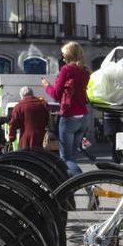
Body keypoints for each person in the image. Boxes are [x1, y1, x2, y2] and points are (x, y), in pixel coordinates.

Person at [42, 42, 90, 177]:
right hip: (83, 118)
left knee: (66, 158)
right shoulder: (86, 71)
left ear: (69, 54)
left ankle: (85, 181)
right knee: (72, 157)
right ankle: (69, 183)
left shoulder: (66, 70)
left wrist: (46, 85)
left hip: (69, 118)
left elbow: (55, 95)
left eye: (63, 54)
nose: (62, 57)